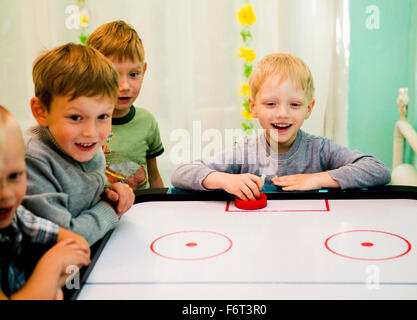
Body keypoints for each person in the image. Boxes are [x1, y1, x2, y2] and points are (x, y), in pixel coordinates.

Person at [171, 53, 390, 200]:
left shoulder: (319, 149)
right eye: (270, 104)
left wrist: (317, 179)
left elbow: (377, 169)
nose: (282, 113)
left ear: (309, 108)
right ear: (253, 107)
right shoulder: (244, 151)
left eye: (294, 104)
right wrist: (225, 180)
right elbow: (180, 173)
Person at [22, 43, 135, 246]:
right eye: (75, 117)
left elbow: (86, 196)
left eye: (103, 116)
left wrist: (111, 192)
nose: (91, 133)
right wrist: (109, 208)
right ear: (41, 111)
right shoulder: (33, 160)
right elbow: (64, 240)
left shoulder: (84, 144)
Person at [0, 106, 90, 299]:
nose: (6, 194)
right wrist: (52, 265)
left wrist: (48, 288)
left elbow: (77, 243)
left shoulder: (17, 215)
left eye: (15, 176)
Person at [86, 20, 165, 190]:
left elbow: (155, 178)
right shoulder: (85, 127)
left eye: (133, 74)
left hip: (142, 212)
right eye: (114, 75)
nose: (124, 86)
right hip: (101, 213)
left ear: (143, 71)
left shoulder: (147, 121)